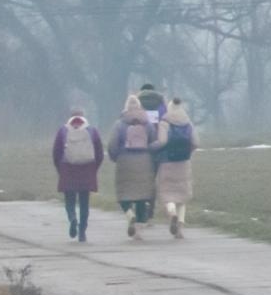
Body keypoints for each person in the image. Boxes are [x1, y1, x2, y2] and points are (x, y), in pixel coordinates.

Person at [52, 107, 104, 243]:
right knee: (84, 202)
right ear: (84, 117)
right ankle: (82, 231)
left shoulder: (63, 131)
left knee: (69, 200)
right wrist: (94, 168)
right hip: (86, 170)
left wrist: (60, 169)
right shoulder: (92, 131)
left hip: (68, 169)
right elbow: (99, 153)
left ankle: (72, 218)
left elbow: (56, 153)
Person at [111, 93, 158, 238]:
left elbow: (113, 144)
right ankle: (138, 231)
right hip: (144, 162)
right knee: (142, 197)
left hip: (125, 162)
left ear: (126, 107)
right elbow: (153, 142)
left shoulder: (120, 124)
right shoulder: (147, 123)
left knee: (124, 194)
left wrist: (116, 157)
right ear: (139, 107)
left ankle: (129, 214)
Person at [154, 98, 198, 238]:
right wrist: (189, 152)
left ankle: (171, 212)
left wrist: (152, 148)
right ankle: (180, 226)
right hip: (184, 162)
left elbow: (162, 142)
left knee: (168, 194)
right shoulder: (188, 123)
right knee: (182, 196)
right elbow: (196, 142)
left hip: (167, 161)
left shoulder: (164, 122)